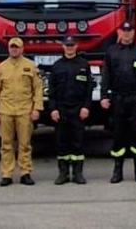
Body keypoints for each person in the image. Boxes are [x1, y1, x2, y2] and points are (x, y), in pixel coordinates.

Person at [0, 36, 43, 186]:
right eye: (12, 47)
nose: (14, 49)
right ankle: (7, 174)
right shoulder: (1, 67)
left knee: (25, 144)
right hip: (6, 110)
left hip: (24, 111)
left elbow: (38, 89)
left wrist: (37, 108)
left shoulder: (31, 66)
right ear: (8, 48)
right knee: (6, 144)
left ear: (22, 49)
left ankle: (25, 172)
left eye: (17, 47)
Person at [100, 21, 136, 183]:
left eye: (130, 31)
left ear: (134, 33)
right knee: (118, 135)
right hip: (117, 98)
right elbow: (106, 76)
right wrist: (104, 96)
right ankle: (117, 171)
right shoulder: (111, 52)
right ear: (119, 32)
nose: (127, 34)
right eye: (124, 31)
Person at [45, 34, 93, 185]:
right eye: (67, 45)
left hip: (78, 109)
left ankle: (78, 173)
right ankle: (63, 174)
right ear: (63, 47)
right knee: (62, 142)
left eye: (72, 45)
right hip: (61, 109)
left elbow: (88, 89)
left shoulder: (84, 65)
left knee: (78, 142)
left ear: (76, 47)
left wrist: (86, 107)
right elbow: (51, 91)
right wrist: (53, 109)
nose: (70, 48)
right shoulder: (57, 66)